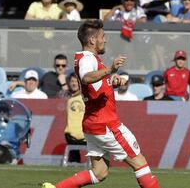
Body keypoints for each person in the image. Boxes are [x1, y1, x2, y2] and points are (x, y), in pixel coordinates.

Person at [42, 19, 160, 188]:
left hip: (92, 123)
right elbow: (86, 77)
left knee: (99, 172)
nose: (105, 40)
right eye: (103, 36)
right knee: (140, 163)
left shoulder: (88, 59)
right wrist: (110, 70)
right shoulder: (87, 59)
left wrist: (111, 81)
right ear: (92, 40)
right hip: (106, 123)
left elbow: (94, 85)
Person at [62, 73, 86, 163]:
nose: (74, 83)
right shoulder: (66, 97)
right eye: (72, 81)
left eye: (76, 81)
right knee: (73, 158)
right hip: (70, 136)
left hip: (85, 136)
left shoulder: (86, 97)